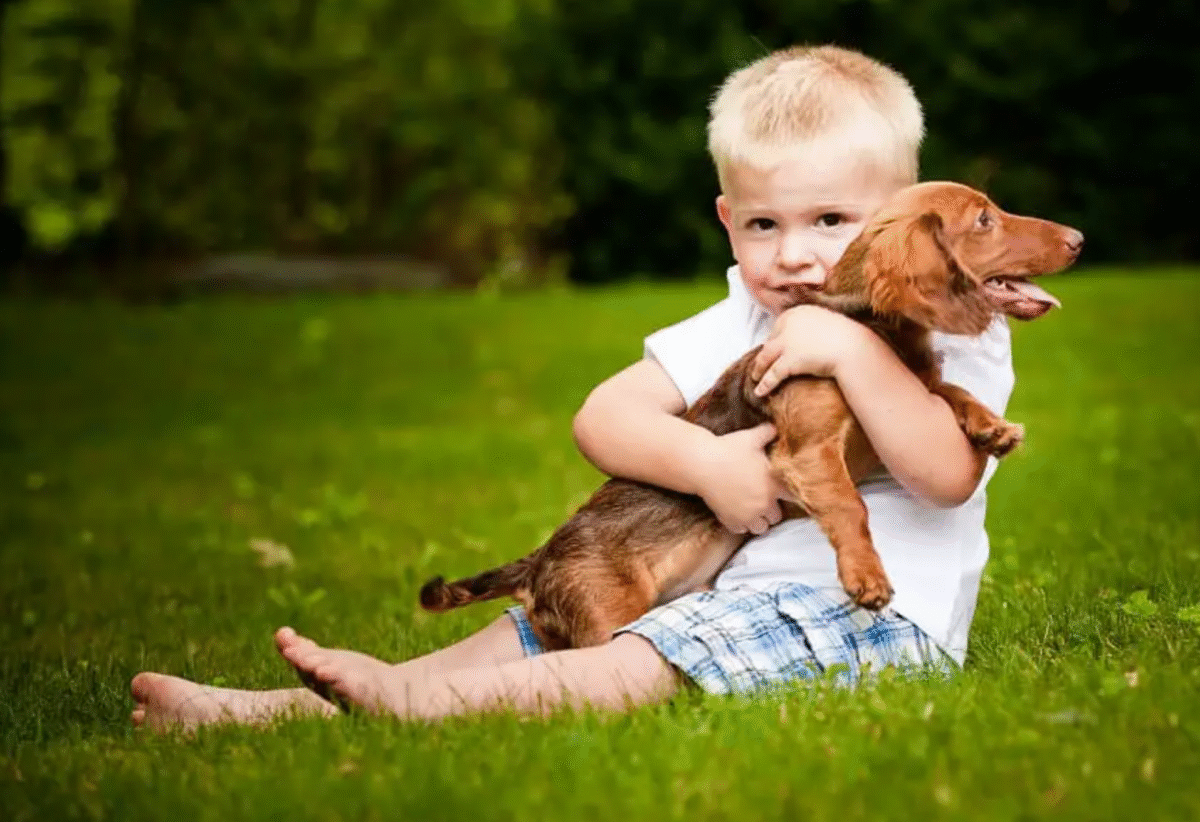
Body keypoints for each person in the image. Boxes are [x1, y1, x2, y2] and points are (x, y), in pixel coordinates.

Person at [131, 44, 1013, 730]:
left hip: (865, 619)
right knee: (520, 639)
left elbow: (944, 475)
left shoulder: (954, 318)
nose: (793, 254)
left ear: (910, 213)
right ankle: (278, 712)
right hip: (708, 596)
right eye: (763, 224)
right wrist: (706, 467)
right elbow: (605, 416)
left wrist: (851, 353)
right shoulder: (744, 314)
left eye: (831, 220)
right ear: (725, 222)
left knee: (639, 663)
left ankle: (410, 710)